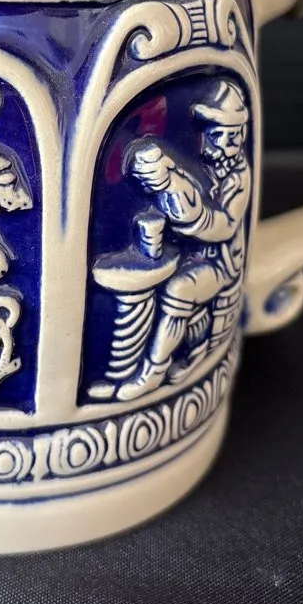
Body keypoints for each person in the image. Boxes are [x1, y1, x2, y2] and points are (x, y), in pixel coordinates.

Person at [116, 80, 251, 401]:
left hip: (222, 264)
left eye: (234, 136)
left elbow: (223, 227)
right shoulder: (210, 168)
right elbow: (185, 188)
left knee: (180, 289)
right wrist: (166, 176)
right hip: (196, 256)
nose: (227, 145)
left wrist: (175, 189)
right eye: (219, 135)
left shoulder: (238, 177)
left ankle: (153, 373)